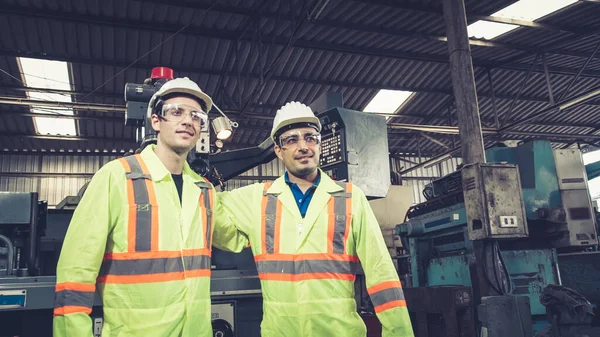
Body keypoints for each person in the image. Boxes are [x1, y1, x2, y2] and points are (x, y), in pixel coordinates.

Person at [213, 101, 415, 337]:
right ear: (278, 150)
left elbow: (382, 274)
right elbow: (203, 208)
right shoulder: (255, 199)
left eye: (310, 137)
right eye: (292, 140)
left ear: (320, 144)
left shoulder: (350, 198)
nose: (303, 146)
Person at [53, 77, 221, 337]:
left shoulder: (204, 190)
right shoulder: (116, 177)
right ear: (156, 121)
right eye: (176, 112)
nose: (188, 120)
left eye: (196, 116)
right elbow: (76, 271)